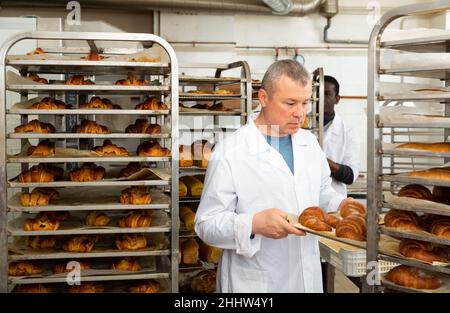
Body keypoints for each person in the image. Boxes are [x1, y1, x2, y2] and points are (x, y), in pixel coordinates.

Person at [194, 60, 364, 293]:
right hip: (256, 283)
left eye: (305, 103)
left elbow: (322, 191)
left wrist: (341, 203)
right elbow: (206, 225)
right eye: (290, 103)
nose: (300, 113)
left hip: (306, 276)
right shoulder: (231, 151)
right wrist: (253, 224)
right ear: (263, 98)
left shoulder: (309, 143)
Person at [322, 75, 360, 196]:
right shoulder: (300, 124)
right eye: (318, 94)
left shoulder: (347, 130)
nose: (321, 98)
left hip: (333, 200)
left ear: (337, 99)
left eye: (327, 94)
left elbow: (351, 175)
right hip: (303, 199)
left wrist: (321, 161)